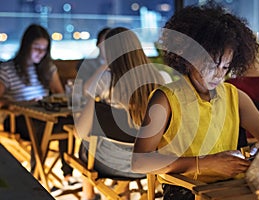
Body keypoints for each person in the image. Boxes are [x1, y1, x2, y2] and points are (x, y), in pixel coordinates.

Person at [131, 2, 259, 199]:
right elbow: (139, 161)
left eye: (225, 67)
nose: (218, 75)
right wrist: (203, 163)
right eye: (211, 65)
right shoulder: (166, 99)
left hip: (231, 187)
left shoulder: (235, 97)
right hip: (186, 189)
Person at [74, 27, 165, 200]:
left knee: (85, 145)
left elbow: (80, 132)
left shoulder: (105, 81)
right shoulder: (159, 79)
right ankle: (124, 194)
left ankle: (88, 196)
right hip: (147, 163)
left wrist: (104, 65)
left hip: (108, 164)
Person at [0, 24, 80, 195]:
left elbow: (59, 95)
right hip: (18, 118)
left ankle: (67, 176)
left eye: (44, 49)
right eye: (36, 48)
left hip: (44, 116)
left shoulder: (47, 68)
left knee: (68, 124)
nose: (40, 53)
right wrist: (13, 104)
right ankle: (37, 178)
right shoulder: (7, 69)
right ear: (26, 46)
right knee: (43, 127)